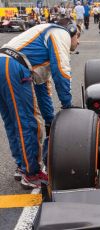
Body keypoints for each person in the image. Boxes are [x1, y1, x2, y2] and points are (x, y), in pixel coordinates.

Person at [0, 18, 81, 189]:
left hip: (5, 62)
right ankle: (32, 174)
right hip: (13, 65)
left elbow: (42, 89)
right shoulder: (60, 32)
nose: (78, 42)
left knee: (14, 122)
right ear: (71, 30)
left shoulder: (41, 44)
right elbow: (62, 70)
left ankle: (22, 166)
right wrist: (67, 105)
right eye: (78, 36)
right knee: (29, 122)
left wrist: (51, 120)